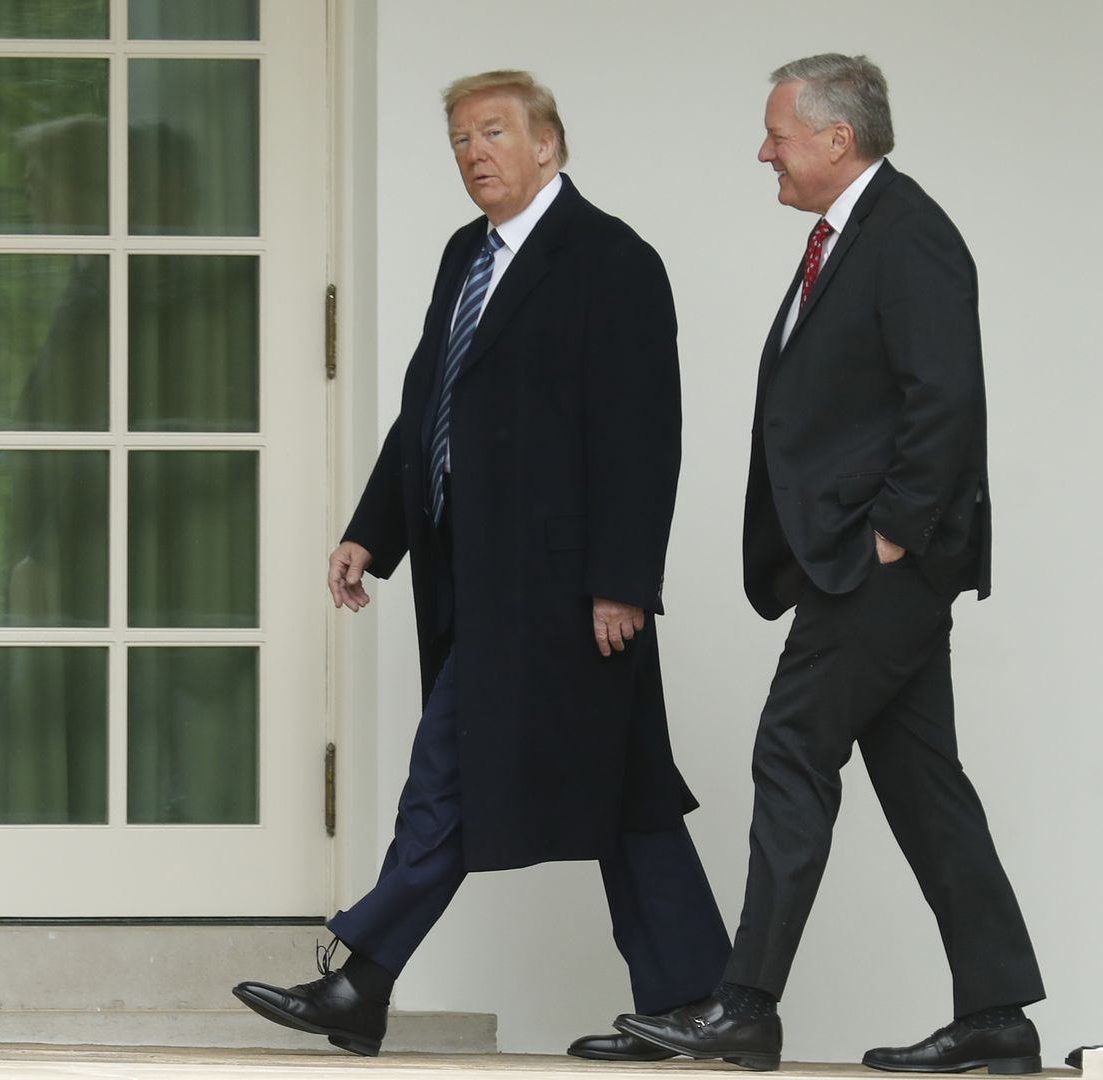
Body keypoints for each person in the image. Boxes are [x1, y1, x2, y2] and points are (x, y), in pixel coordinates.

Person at [230, 69, 730, 1061]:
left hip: (566, 590)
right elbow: (432, 410)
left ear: (549, 144)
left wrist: (624, 580)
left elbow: (643, 436)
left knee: (450, 772)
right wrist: (374, 530)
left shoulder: (612, 260)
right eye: (459, 139)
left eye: (493, 132)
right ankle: (704, 1005)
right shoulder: (467, 256)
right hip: (479, 578)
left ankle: (361, 978)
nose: (473, 153)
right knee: (627, 793)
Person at [614, 54, 1045, 1074]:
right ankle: (997, 1016)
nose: (764, 149)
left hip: (881, 567)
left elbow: (944, 396)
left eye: (778, 132)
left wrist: (891, 532)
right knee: (923, 784)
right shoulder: (851, 238)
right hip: (861, 562)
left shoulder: (909, 237)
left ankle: (745, 1005)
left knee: (790, 750)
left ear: (836, 139)